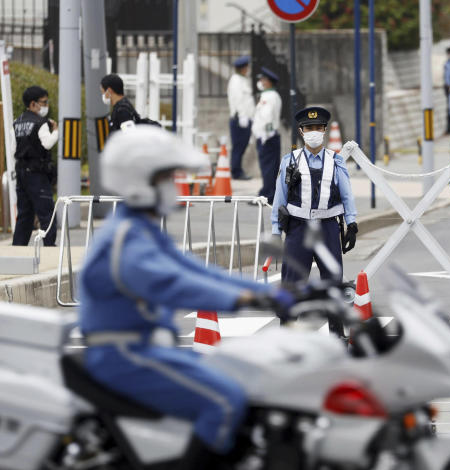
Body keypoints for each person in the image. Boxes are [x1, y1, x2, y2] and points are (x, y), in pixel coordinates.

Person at [78, 126, 295, 468]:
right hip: (124, 355)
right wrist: (243, 301)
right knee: (224, 402)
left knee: (244, 379)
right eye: (167, 177)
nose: (176, 185)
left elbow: (197, 271)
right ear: (140, 181)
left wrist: (270, 290)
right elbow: (175, 284)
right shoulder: (126, 240)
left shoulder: (141, 229)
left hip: (146, 347)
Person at [270, 106, 357, 336]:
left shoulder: (335, 160)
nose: (314, 132)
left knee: (333, 281)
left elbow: (347, 194)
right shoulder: (290, 161)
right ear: (301, 131)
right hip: (298, 227)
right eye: (309, 128)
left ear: (325, 130)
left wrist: (352, 223)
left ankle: (337, 333)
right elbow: (279, 197)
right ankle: (286, 334)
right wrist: (275, 231)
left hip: (328, 226)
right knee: (293, 281)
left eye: (318, 128)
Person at [11, 86, 58, 247]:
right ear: (33, 104)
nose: (46, 106)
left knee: (24, 214)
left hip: (21, 173)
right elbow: (47, 143)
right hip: (37, 173)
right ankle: (50, 247)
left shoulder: (16, 122)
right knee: (46, 213)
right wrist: (56, 131)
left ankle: (18, 249)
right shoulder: (40, 123)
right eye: (43, 102)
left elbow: (12, 149)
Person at [251, 67, 282, 204]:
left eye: (262, 79)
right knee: (269, 167)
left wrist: (265, 134)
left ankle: (267, 195)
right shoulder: (269, 95)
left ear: (269, 82)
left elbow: (267, 117)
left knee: (268, 167)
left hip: (267, 137)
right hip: (268, 136)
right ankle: (270, 193)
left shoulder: (269, 96)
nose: (260, 82)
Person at [227, 55, 255, 180]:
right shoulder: (236, 81)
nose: (248, 69)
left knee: (242, 146)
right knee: (238, 146)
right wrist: (242, 116)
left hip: (246, 119)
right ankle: (236, 172)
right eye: (247, 67)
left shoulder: (243, 80)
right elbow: (237, 100)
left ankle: (237, 170)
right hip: (239, 120)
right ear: (243, 68)